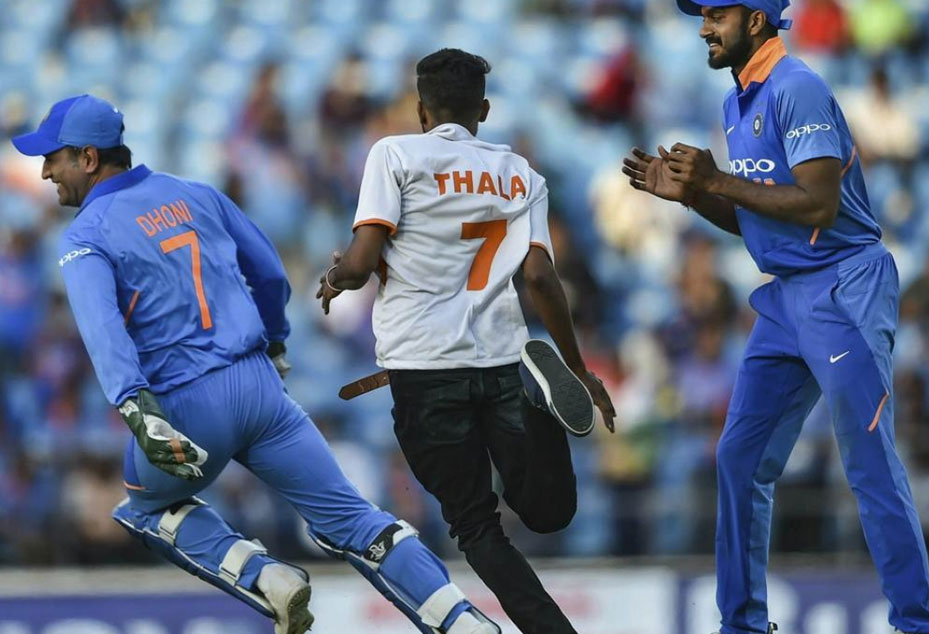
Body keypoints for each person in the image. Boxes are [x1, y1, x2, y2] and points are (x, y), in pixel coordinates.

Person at [12, 93, 499, 634]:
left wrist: (135, 407)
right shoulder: (197, 193)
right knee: (356, 521)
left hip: (184, 405)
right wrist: (276, 342)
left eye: (52, 157)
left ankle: (265, 576)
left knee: (143, 507)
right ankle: (464, 622)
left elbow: (103, 330)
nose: (46, 171)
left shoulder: (85, 235)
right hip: (261, 389)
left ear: (87, 158)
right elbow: (268, 273)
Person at [622, 2, 929, 634]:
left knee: (868, 462)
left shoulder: (798, 86)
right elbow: (758, 217)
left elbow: (818, 205)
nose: (703, 27)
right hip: (785, 295)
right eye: (701, 15)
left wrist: (716, 180)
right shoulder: (736, 100)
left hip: (845, 287)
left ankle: (916, 625)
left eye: (717, 14)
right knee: (739, 459)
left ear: (757, 21)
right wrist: (694, 195)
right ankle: (742, 624)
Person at [317, 49, 616, 634]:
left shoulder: (394, 154)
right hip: (500, 360)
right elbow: (539, 277)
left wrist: (334, 277)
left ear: (420, 110)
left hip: (424, 370)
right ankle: (542, 412)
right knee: (551, 514)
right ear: (483, 109)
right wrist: (579, 368)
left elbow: (360, 262)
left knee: (476, 527)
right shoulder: (520, 172)